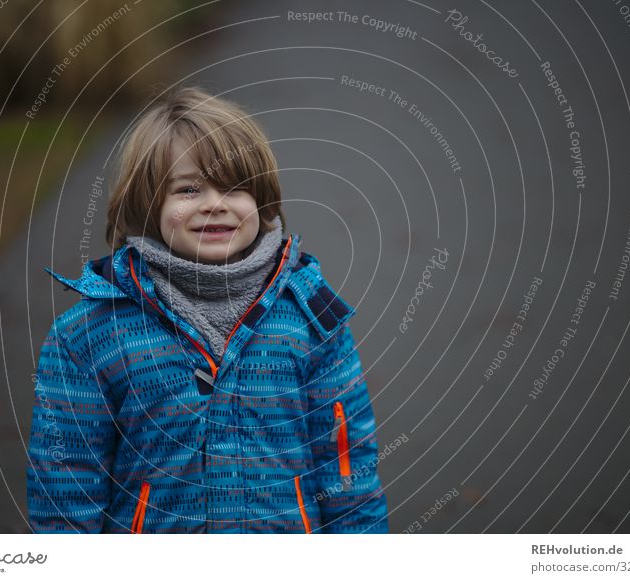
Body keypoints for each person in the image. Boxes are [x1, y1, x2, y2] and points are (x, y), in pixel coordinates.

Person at [26, 85, 388, 533]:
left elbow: (348, 467)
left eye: (235, 187)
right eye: (188, 189)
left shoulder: (310, 318)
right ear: (148, 202)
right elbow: (65, 488)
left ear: (261, 200)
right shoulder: (91, 335)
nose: (214, 203)